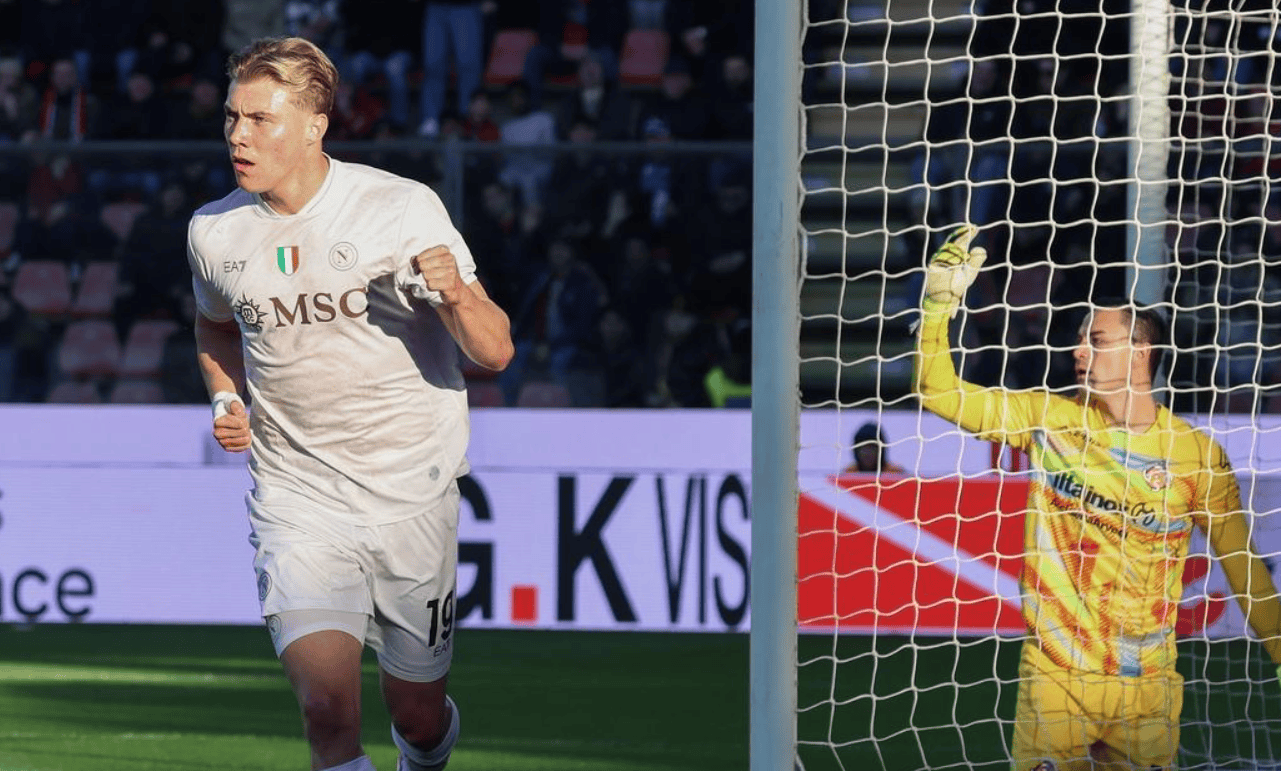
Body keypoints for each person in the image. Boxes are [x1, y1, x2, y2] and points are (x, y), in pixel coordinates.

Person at [187, 37, 513, 771]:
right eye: (232, 117)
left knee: (417, 716)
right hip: (297, 497)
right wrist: (224, 395)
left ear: (315, 125)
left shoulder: (400, 208)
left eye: (260, 119)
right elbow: (213, 323)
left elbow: (494, 351)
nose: (238, 135)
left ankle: (423, 754)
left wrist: (456, 295)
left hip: (410, 494)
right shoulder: (214, 231)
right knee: (327, 710)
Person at [914, 225, 1281, 770]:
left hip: (1149, 689)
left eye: (1098, 340)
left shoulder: (1196, 456)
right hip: (1057, 678)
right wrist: (936, 310)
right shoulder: (1050, 420)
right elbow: (938, 391)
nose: (1078, 350)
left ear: (1140, 353)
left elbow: (1243, 567)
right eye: (1081, 338)